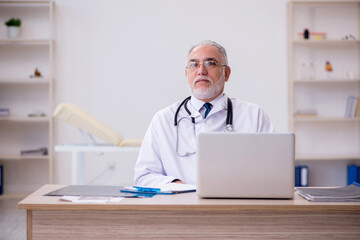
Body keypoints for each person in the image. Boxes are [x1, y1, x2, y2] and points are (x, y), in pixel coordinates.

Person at [134, 40, 274, 186]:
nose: (201, 71)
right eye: (194, 64)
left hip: (235, 205)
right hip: (181, 205)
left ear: (226, 73)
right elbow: (143, 177)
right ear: (186, 73)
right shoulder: (163, 120)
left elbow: (273, 172)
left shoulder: (254, 116)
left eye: (210, 63)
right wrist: (175, 184)